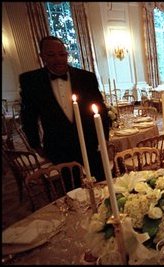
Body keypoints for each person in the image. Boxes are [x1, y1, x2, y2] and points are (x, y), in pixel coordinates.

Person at [19, 36, 109, 189]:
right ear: (42, 56)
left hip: (89, 141)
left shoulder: (86, 77)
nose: (58, 59)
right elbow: (28, 116)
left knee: (101, 182)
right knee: (71, 188)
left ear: (67, 54)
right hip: (58, 145)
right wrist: (35, 144)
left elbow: (100, 109)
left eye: (62, 54)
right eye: (51, 55)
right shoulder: (31, 80)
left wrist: (104, 137)